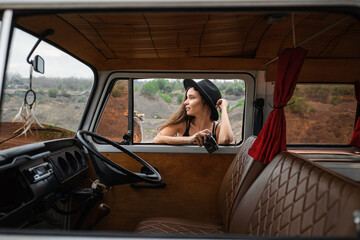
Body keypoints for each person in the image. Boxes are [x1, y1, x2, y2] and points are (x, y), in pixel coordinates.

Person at [152, 79, 234, 146]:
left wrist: (223, 109)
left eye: (191, 98)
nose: (185, 102)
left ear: (206, 103)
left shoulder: (217, 128)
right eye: (187, 98)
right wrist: (190, 139)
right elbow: (157, 139)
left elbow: (226, 139)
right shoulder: (183, 124)